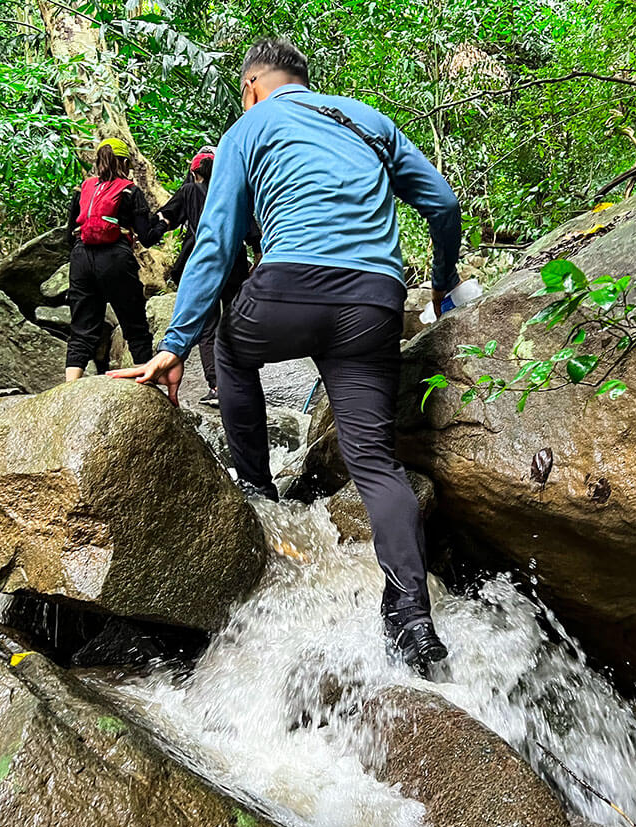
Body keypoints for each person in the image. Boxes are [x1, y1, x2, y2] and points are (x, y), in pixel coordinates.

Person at [111, 38, 462, 677]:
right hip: (373, 301)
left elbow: (215, 246)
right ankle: (412, 620)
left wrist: (173, 345)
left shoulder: (249, 128)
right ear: (305, 79)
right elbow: (441, 204)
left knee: (235, 357)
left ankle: (256, 493)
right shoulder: (366, 118)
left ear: (251, 87)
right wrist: (441, 286)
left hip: (285, 293)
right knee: (376, 463)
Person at [157, 146, 256, 406]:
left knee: (208, 329)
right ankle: (241, 382)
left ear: (195, 173)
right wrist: (257, 260)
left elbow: (166, 218)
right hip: (234, 268)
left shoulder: (190, 191)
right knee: (235, 325)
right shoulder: (231, 193)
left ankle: (216, 386)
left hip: (204, 270)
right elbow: (253, 234)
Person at [64, 137, 166, 381]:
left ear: (99, 160)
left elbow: (69, 234)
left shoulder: (83, 189)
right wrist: (163, 223)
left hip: (81, 256)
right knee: (134, 324)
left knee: (82, 328)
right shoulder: (130, 190)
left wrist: (81, 254)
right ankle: (145, 382)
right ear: (124, 162)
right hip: (116, 259)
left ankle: (69, 388)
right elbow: (148, 237)